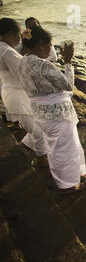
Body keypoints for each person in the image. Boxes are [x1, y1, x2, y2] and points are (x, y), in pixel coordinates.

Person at [18, 26, 86, 194]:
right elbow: (68, 85)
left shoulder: (23, 61)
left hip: (41, 112)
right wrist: (68, 62)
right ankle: (67, 185)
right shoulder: (43, 65)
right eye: (50, 45)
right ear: (41, 44)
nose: (50, 49)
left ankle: (77, 173)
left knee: (59, 146)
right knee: (64, 149)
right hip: (57, 114)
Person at [0, 18, 47, 166]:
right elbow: (23, 74)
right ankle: (41, 159)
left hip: (11, 92)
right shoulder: (7, 51)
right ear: (8, 34)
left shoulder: (3, 48)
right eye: (17, 35)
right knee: (38, 130)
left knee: (34, 124)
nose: (19, 38)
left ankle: (25, 145)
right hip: (17, 95)